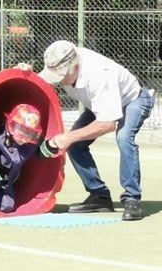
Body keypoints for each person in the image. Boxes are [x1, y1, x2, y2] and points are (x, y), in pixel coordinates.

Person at [20, 40, 154, 221]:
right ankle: (100, 197)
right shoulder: (64, 61)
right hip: (99, 104)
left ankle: (132, 199)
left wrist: (68, 137)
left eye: (60, 76)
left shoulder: (98, 74)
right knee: (75, 144)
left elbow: (107, 124)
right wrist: (25, 74)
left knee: (124, 138)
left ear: (75, 67)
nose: (58, 81)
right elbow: (42, 83)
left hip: (132, 100)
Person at [0, 103, 59, 213]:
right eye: (21, 129)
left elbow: (39, 152)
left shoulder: (30, 144)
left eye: (29, 133)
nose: (24, 136)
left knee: (6, 206)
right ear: (11, 124)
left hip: (6, 182)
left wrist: (51, 145)